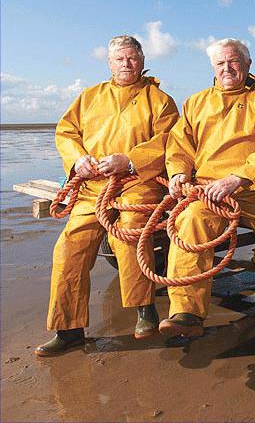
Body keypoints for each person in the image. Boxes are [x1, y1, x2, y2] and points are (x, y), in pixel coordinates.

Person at [35, 36, 179, 356]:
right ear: (109, 63)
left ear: (142, 61)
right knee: (68, 248)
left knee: (128, 235)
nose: (126, 63)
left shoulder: (160, 100)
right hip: (92, 189)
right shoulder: (89, 97)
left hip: (136, 182)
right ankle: (69, 329)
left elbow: (169, 141)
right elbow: (67, 132)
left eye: (131, 58)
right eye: (119, 59)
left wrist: (128, 160)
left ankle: (145, 308)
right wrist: (77, 160)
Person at [161, 38, 255, 360]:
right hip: (210, 189)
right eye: (220, 63)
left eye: (234, 61)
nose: (227, 68)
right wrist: (178, 173)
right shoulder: (195, 103)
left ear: (247, 64)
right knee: (189, 222)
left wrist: (238, 178)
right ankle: (187, 314)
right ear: (212, 68)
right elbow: (180, 145)